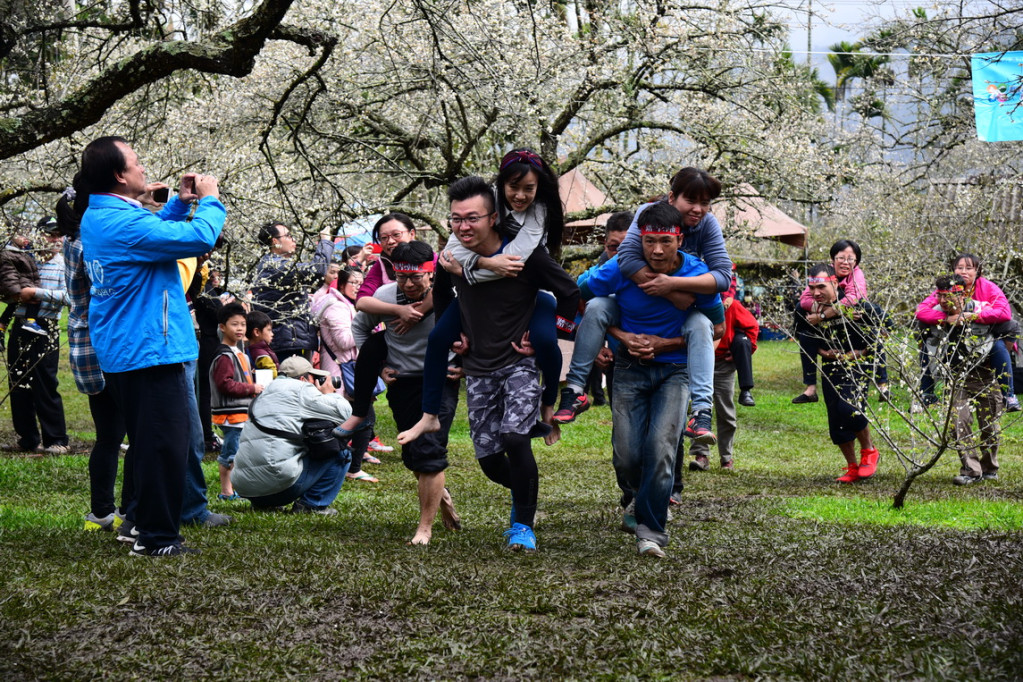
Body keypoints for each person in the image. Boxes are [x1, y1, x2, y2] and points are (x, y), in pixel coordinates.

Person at [403, 176, 579, 552]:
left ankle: (522, 527)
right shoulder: (453, 257)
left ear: (493, 217)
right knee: (489, 460)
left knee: (516, 438)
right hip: (480, 366)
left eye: (473, 218)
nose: (464, 227)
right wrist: (455, 333)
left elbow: (569, 291)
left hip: (518, 362)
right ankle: (525, 490)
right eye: (456, 219)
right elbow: (443, 294)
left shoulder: (525, 257)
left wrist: (550, 332)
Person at [78, 135, 225, 557]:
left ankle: (137, 522)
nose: (144, 169)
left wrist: (178, 203)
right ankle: (158, 538)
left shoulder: (101, 214)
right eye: (137, 163)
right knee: (165, 444)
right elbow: (198, 239)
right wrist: (209, 200)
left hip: (126, 346)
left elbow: (158, 234)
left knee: (148, 439)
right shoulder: (124, 223)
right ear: (120, 176)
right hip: (148, 348)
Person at [580, 202, 724, 558]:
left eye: (665, 241)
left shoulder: (696, 273)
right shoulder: (624, 267)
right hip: (628, 368)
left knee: (661, 449)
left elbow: (715, 327)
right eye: (649, 242)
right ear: (639, 240)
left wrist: (665, 343)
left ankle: (651, 531)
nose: (657, 250)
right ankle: (638, 499)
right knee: (626, 455)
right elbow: (584, 294)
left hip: (675, 371)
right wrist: (621, 337)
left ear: (679, 241)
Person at [553, 168, 731, 450]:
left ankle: (701, 412)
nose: (699, 209)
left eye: (706, 203)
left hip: (680, 327)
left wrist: (674, 285)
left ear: (680, 241)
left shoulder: (705, 228)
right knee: (599, 305)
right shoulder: (646, 217)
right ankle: (576, 389)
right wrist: (668, 294)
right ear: (672, 198)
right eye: (650, 241)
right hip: (633, 327)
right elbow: (622, 262)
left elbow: (722, 280)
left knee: (699, 326)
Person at [396, 148, 566, 444]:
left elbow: (514, 261)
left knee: (546, 341)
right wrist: (456, 329)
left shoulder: (539, 211)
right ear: (501, 184)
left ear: (539, 187)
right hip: (478, 295)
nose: (521, 195)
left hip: (528, 292)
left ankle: (548, 405)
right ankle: (429, 416)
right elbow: (451, 258)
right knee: (437, 339)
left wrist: (472, 268)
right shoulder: (479, 205)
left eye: (529, 188)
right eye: (514, 187)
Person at [351, 240, 462, 544]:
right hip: (403, 382)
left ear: (431, 274)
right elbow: (360, 327)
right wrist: (379, 366)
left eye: (416, 277)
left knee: (429, 449)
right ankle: (442, 498)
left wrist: (466, 363)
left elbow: (477, 330)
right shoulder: (385, 296)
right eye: (402, 277)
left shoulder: (449, 296)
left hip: (440, 380)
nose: (409, 284)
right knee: (413, 456)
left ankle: (424, 528)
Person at [59, 187, 127, 532]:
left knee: (108, 435)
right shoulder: (91, 242)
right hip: (105, 341)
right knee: (127, 430)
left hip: (85, 344)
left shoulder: (71, 239)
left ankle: (101, 512)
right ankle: (128, 509)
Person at [231, 356, 353, 514]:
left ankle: (263, 505)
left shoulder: (265, 391)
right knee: (342, 452)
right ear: (303, 378)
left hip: (246, 488)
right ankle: (311, 505)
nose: (314, 381)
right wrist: (329, 393)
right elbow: (346, 413)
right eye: (312, 377)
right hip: (279, 487)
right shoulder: (301, 389)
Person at [916, 271, 1004, 484]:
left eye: (950, 296)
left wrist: (969, 317)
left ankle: (989, 466)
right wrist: (946, 320)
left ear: (963, 294)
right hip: (953, 375)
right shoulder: (935, 312)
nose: (945, 301)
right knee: (958, 422)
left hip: (984, 373)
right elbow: (920, 317)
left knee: (990, 423)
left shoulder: (980, 308)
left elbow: (1006, 319)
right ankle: (970, 470)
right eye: (941, 296)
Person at [803, 263, 880, 484]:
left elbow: (882, 331)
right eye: (812, 288)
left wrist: (860, 352)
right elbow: (804, 338)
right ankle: (852, 466)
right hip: (830, 366)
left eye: (821, 287)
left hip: (858, 365)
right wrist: (824, 352)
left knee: (849, 407)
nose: (816, 293)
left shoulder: (855, 304)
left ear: (835, 283)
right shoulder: (810, 309)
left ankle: (869, 451)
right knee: (835, 418)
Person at [916, 253, 1019, 413]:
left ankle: (1009, 395)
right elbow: (921, 311)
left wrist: (974, 316)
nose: (963, 271)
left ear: (977, 271)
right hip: (953, 335)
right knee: (926, 341)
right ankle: (927, 393)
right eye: (959, 267)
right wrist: (946, 319)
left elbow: (1004, 313)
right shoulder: (947, 288)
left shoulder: (988, 287)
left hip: (986, 333)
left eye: (969, 268)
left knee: (999, 345)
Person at [793, 239, 889, 403]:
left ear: (856, 262)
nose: (845, 262)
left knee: (872, 319)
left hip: (854, 324)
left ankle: (883, 385)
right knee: (805, 332)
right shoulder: (823, 274)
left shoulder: (856, 275)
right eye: (840, 258)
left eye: (850, 259)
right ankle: (810, 389)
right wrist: (819, 308)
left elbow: (853, 299)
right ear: (832, 259)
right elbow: (804, 300)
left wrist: (826, 315)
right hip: (830, 333)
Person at [7, 216, 70, 454]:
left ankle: (56, 439)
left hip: (47, 326)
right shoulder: (23, 261)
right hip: (20, 322)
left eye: (58, 235)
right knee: (18, 383)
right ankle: (27, 437)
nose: (55, 239)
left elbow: (69, 297)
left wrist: (38, 293)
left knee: (45, 382)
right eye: (50, 234)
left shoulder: (65, 265)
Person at [311, 265, 379, 483]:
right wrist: (370, 329)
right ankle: (344, 466)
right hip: (341, 370)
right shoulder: (336, 307)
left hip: (349, 368)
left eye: (361, 283)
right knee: (357, 418)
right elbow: (343, 341)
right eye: (353, 283)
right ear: (341, 284)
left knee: (363, 417)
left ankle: (347, 464)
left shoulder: (346, 304)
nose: (358, 287)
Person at [684, 296, 759, 472]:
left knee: (725, 411)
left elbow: (752, 326)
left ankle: (726, 457)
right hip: (695, 362)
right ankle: (701, 455)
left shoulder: (730, 304)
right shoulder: (690, 302)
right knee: (698, 409)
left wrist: (744, 352)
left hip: (722, 364)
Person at [250, 221, 335, 361]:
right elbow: (317, 271)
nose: (294, 240)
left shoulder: (274, 264)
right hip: (287, 341)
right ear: (275, 241)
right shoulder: (275, 265)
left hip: (289, 338)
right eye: (288, 236)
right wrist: (325, 242)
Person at [210, 302, 264, 500]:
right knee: (230, 454)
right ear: (222, 327)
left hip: (240, 413)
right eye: (234, 324)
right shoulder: (224, 355)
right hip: (230, 414)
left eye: (242, 324)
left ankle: (233, 489)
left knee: (236, 453)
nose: (240, 328)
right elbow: (225, 384)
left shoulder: (237, 352)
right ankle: (226, 491)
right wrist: (251, 388)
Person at [583, 212, 631, 406]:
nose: (620, 254)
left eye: (627, 247)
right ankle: (577, 391)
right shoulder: (596, 277)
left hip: (662, 363)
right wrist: (597, 348)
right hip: (618, 363)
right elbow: (579, 303)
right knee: (622, 431)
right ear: (606, 246)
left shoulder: (658, 275)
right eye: (614, 248)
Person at [246, 310, 280, 377]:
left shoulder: (248, 350)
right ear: (257, 332)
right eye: (269, 330)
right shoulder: (261, 354)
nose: (272, 334)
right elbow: (273, 374)